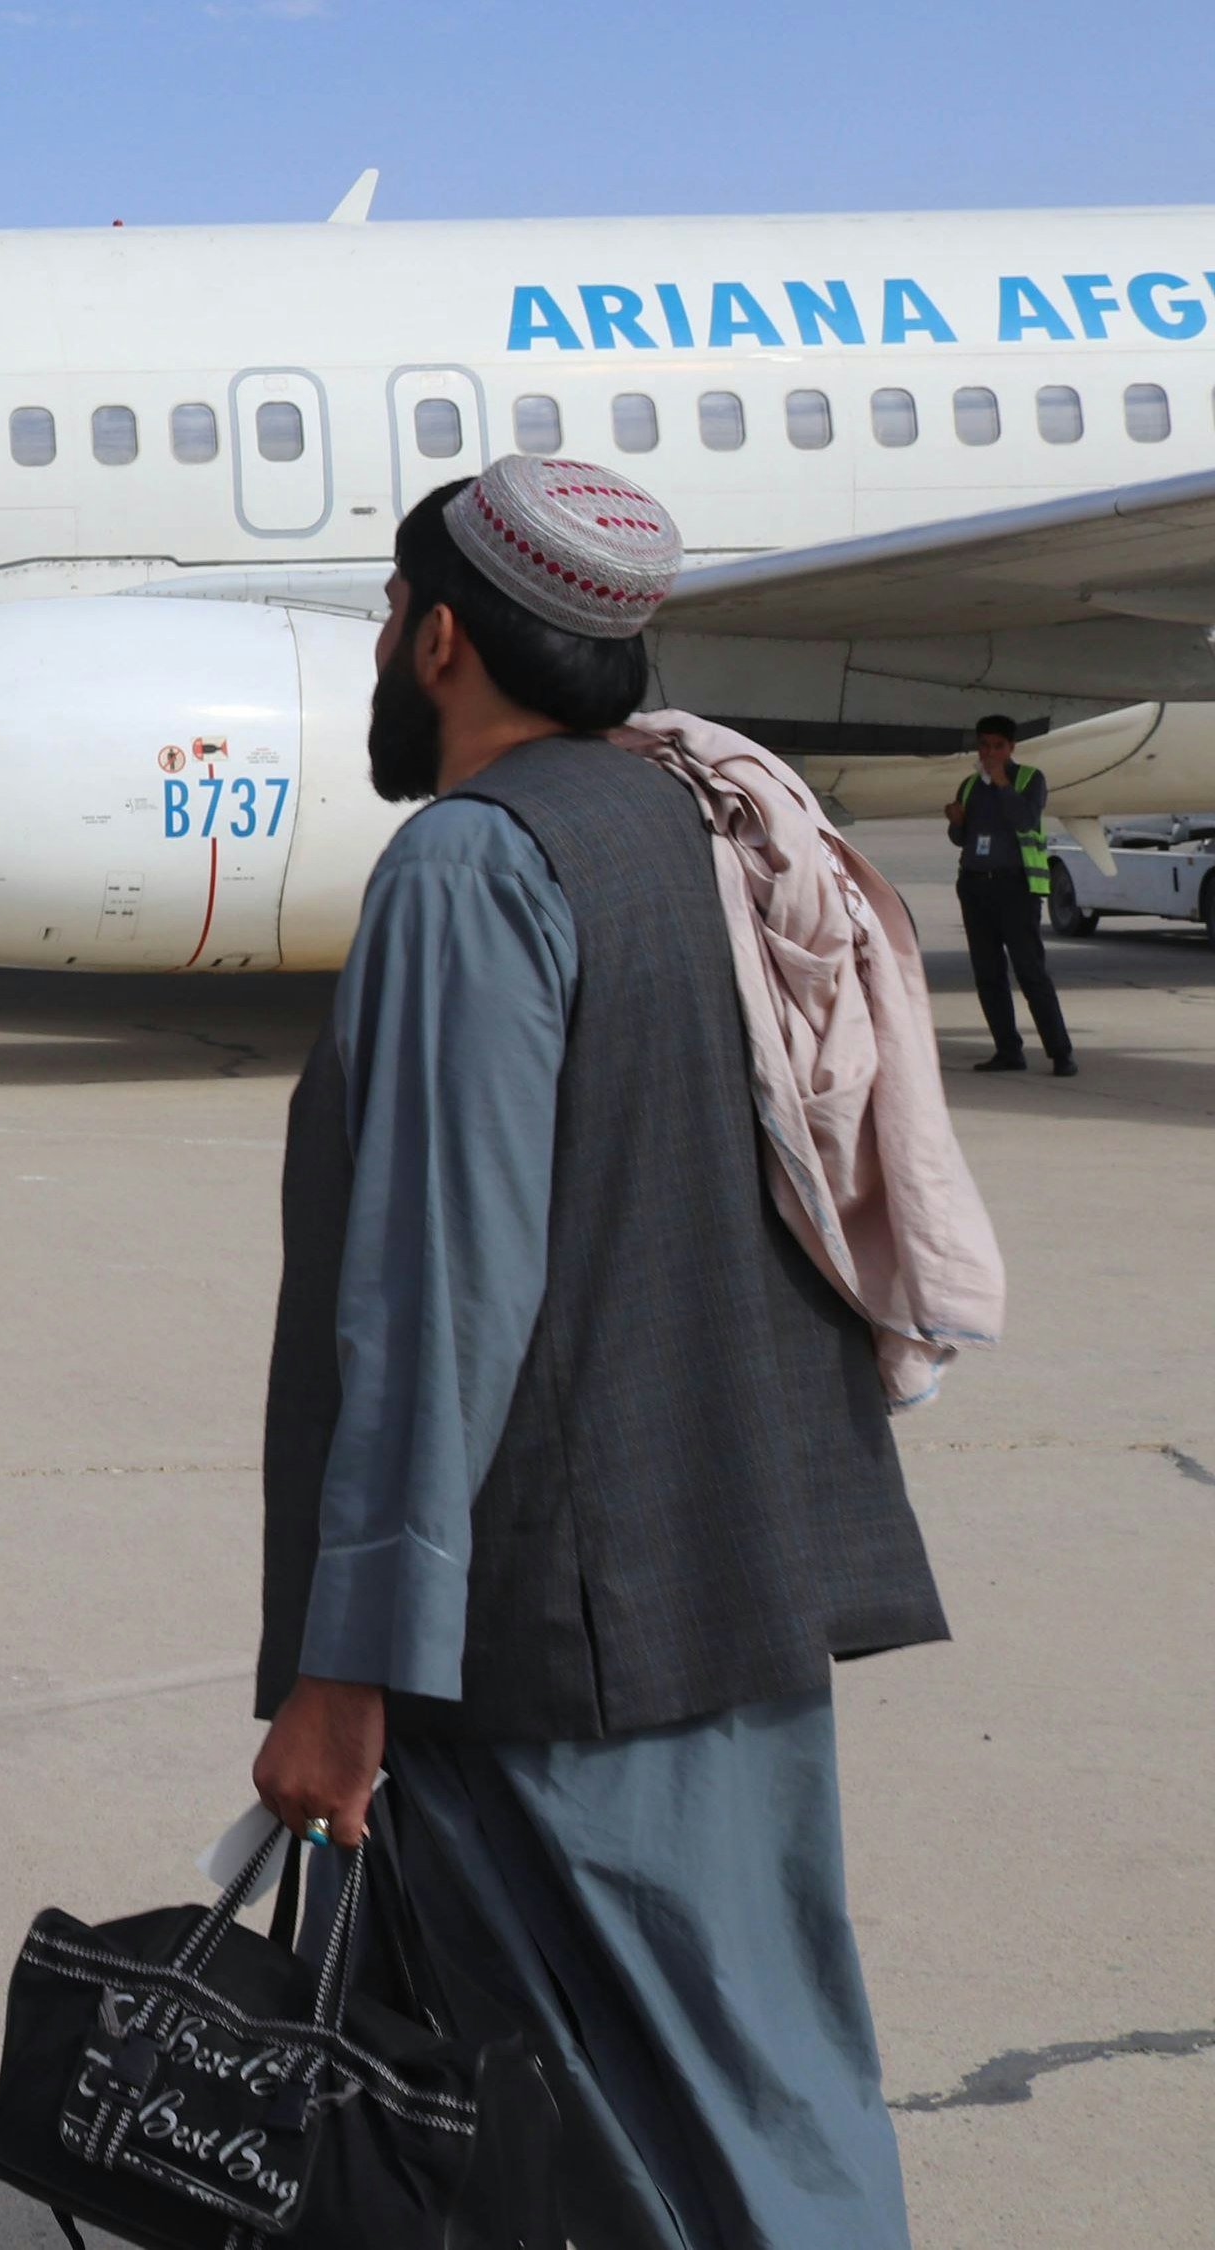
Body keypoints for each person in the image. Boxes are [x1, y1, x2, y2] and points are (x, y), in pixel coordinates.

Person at [249, 457, 988, 2249]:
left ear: (436, 639)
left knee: (645, 2123)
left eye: (379, 625)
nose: (375, 658)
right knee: (768, 2073)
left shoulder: (468, 867)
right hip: (737, 1565)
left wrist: (347, 1671)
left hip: (558, 1638)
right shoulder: (693, 824)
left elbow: (439, 1297)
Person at [945, 714, 1075, 1075]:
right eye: (984, 745)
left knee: (1030, 971)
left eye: (997, 746)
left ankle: (1060, 1052)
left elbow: (1025, 821)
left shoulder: (1030, 780)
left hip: (1015, 887)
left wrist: (1003, 784)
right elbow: (962, 838)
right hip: (975, 885)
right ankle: (1007, 1050)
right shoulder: (970, 785)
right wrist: (956, 822)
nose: (990, 753)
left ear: (1011, 748)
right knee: (988, 973)